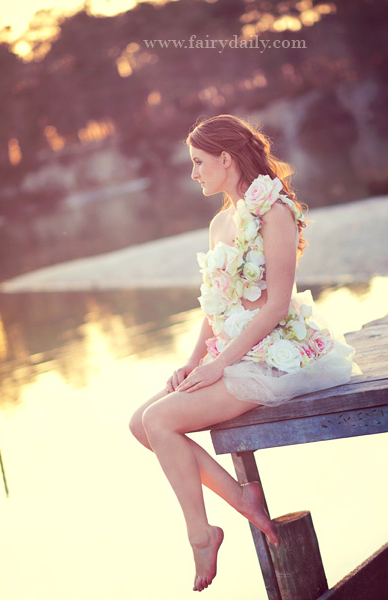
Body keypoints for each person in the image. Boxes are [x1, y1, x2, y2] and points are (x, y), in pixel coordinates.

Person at [129, 114, 357, 592]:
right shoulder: (219, 222)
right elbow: (213, 306)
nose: (193, 173)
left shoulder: (275, 212)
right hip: (230, 351)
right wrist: (194, 361)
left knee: (159, 421)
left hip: (275, 354)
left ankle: (201, 532)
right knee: (140, 422)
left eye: (198, 162)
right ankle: (242, 499)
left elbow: (275, 306)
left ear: (226, 159)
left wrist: (220, 363)